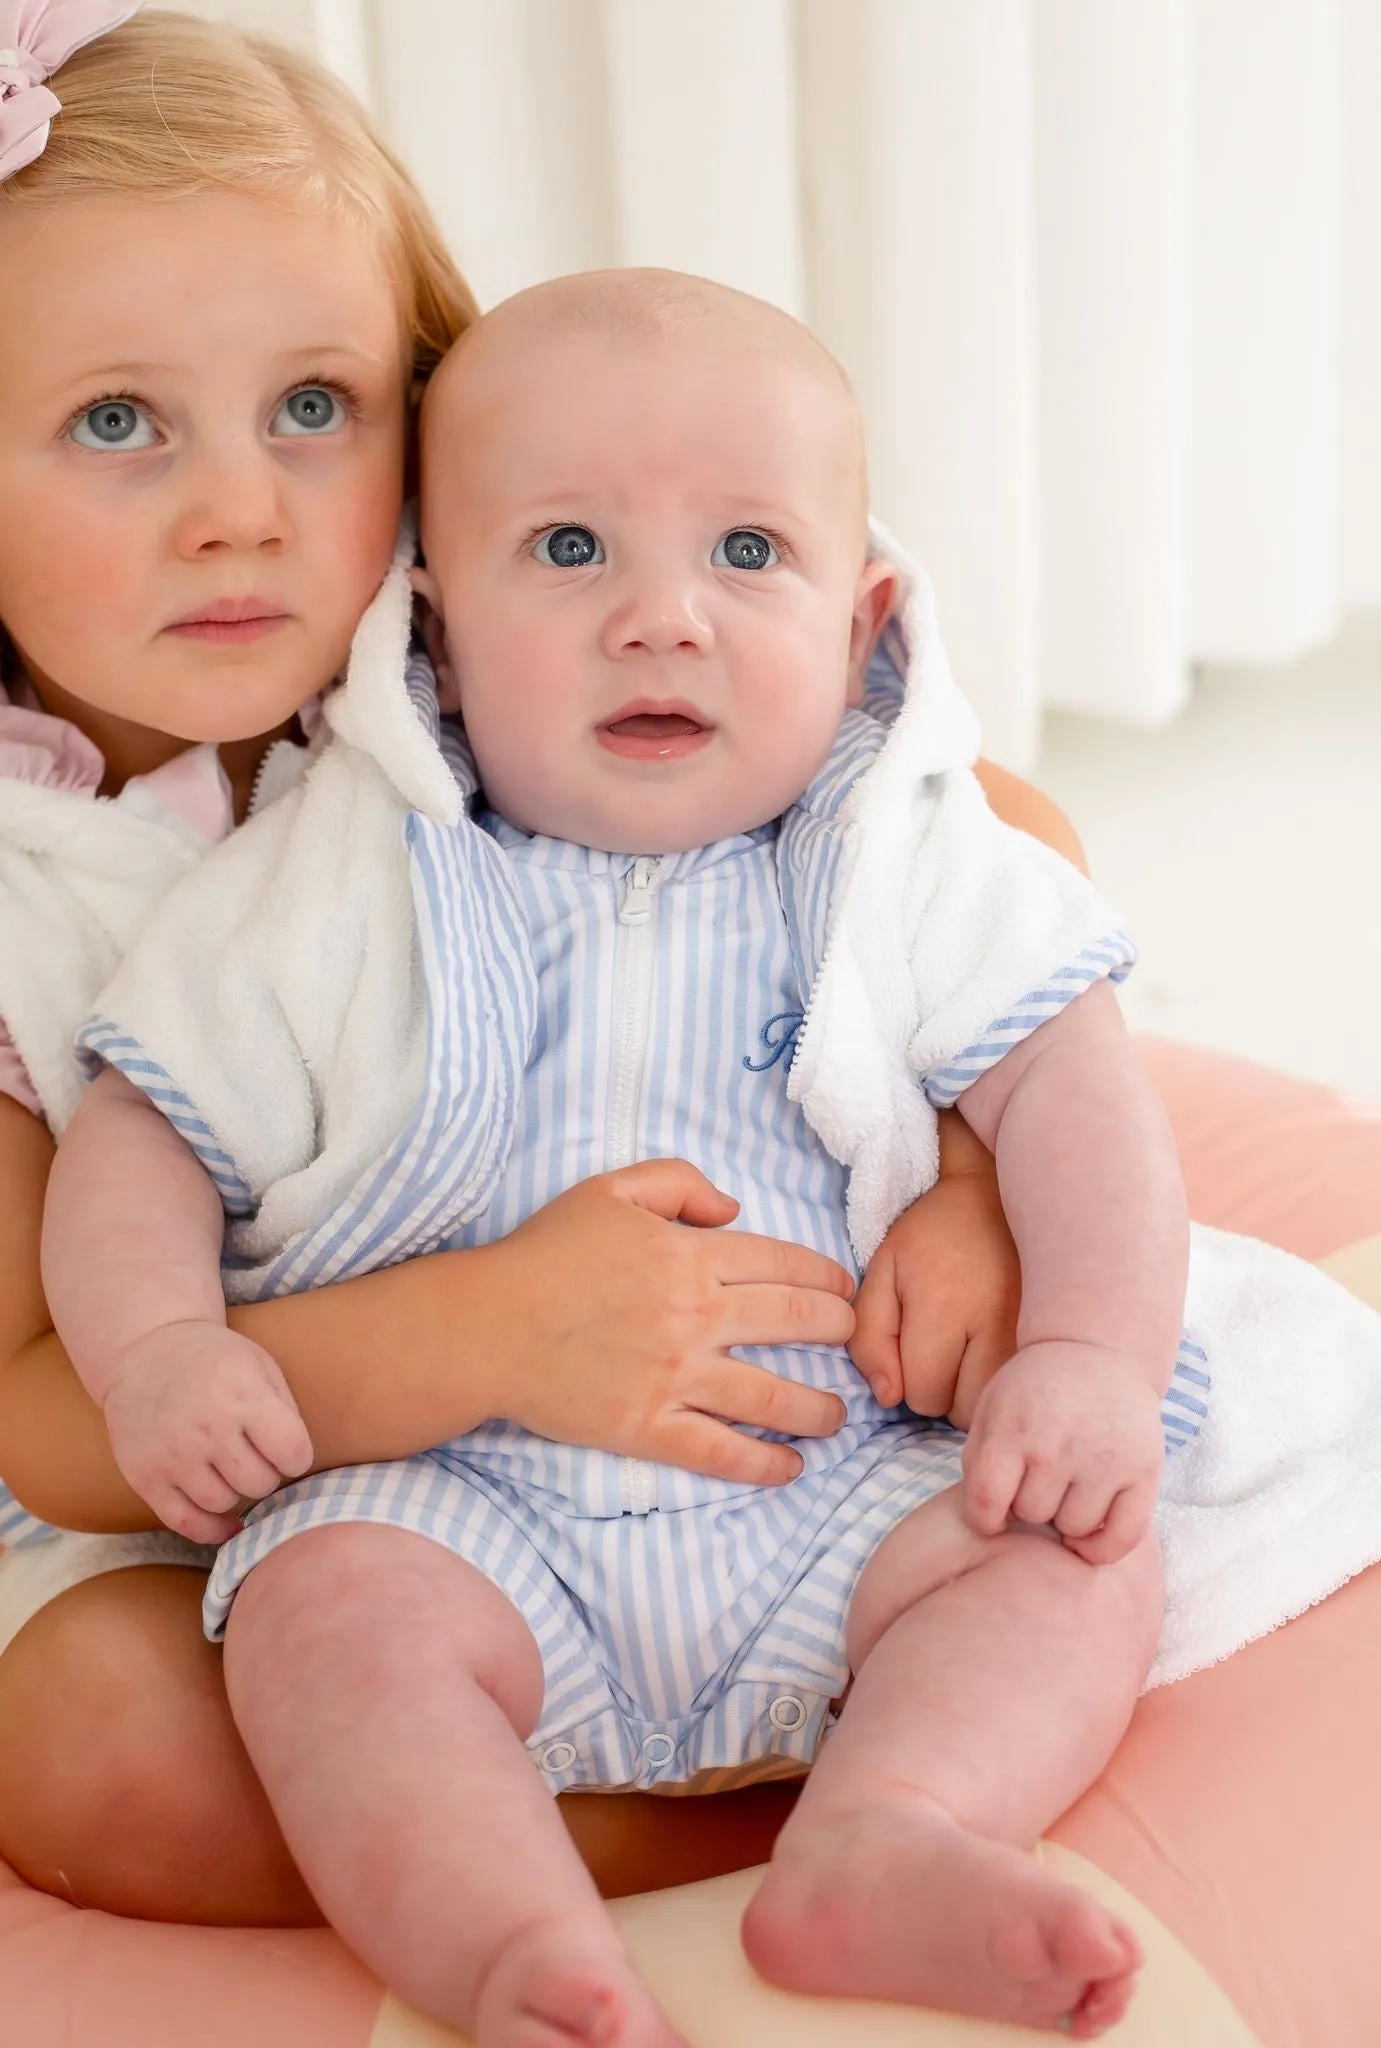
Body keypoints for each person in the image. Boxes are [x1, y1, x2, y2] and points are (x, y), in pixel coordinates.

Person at [46, 270, 1200, 2042]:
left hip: (848, 1488)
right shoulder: (345, 871)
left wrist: (1089, 1359)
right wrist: (161, 1352)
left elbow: (1081, 1096)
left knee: (1067, 1555)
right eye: (570, 551)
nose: (663, 619)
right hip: (467, 1506)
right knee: (325, 1620)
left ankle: (891, 1835)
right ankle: (513, 1950)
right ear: (430, 633)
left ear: (865, 613)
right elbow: (141, 1130)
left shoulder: (904, 857)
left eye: (749, 554)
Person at [0, 7, 1058, 1929]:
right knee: (93, 1747)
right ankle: (648, 1848)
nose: (240, 506)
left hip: (706, 1444)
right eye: (116, 422)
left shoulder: (500, 636)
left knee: (1059, 1517)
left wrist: (980, 1193)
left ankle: (866, 1773)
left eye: (312, 405)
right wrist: (496, 1333)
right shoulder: (18, 893)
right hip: (240, 1502)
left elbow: (991, 825)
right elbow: (54, 1422)